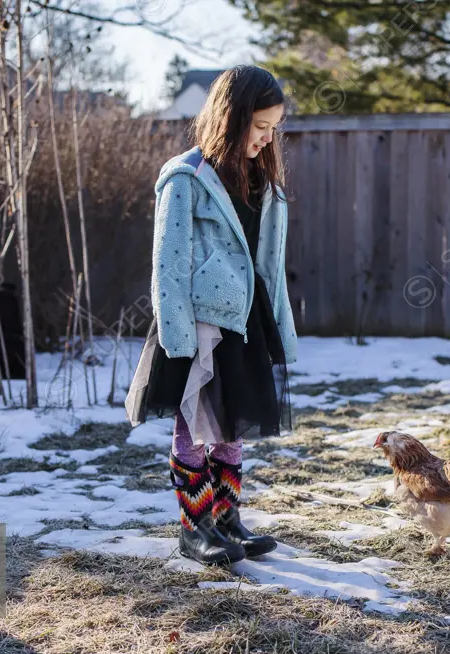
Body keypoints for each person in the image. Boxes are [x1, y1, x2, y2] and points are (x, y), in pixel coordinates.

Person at [126, 65, 297, 566]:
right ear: (232, 116)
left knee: (231, 423)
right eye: (259, 127)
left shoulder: (262, 184)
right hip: (198, 325)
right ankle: (194, 526)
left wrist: (279, 330)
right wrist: (177, 339)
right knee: (194, 425)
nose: (267, 140)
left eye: (273, 130)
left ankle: (226, 519)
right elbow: (169, 265)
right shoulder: (186, 178)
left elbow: (270, 265)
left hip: (244, 321)